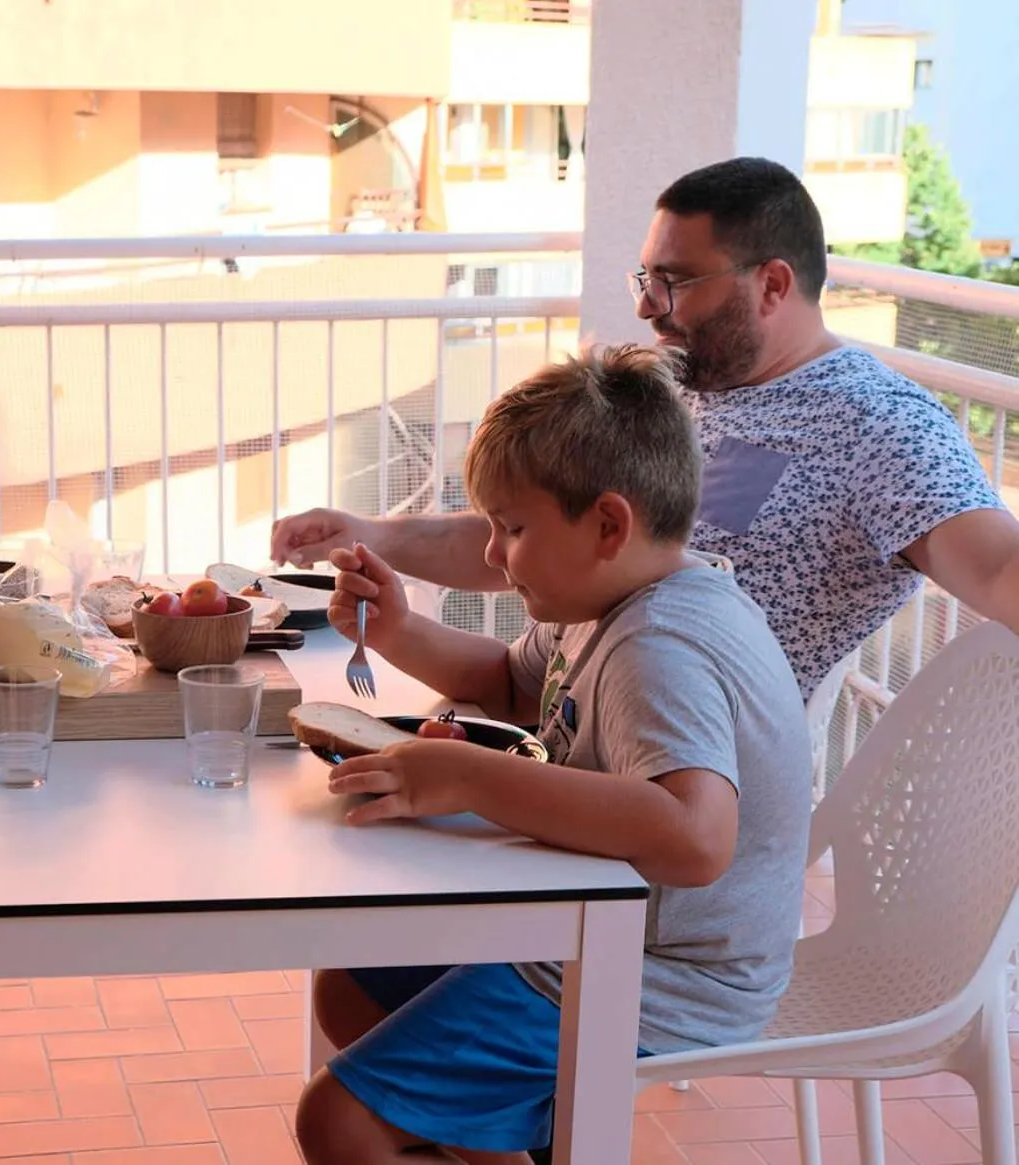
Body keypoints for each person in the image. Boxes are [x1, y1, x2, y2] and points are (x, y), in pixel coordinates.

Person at [293, 345, 811, 1165]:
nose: (494, 555)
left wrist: (470, 776)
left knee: (339, 1122)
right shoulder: (604, 601)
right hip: (595, 924)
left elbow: (695, 837)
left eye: (512, 527)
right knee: (353, 983)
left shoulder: (662, 644)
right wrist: (396, 629)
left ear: (608, 524)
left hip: (664, 979)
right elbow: (504, 683)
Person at [270, 156, 1016, 701]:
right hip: (552, 712)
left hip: (667, 780)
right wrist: (371, 535)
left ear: (774, 284)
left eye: (676, 282)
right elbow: (548, 534)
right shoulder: (684, 387)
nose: (646, 306)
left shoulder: (879, 425)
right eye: (645, 279)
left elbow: (996, 570)